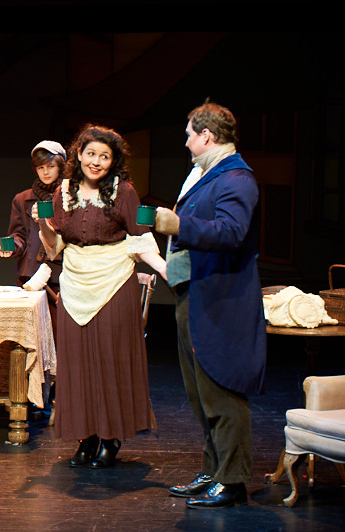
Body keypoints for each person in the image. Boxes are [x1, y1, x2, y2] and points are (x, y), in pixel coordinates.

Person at [155, 100, 265, 509]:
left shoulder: (236, 178)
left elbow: (232, 231)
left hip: (219, 298)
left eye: (189, 135)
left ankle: (232, 481)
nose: (185, 142)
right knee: (200, 393)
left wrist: (179, 225)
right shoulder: (207, 175)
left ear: (207, 135)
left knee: (221, 389)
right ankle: (214, 470)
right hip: (195, 292)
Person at [37, 125, 167, 468]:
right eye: (91, 153)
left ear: (114, 162)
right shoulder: (64, 192)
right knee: (77, 364)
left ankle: (111, 437)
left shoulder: (124, 192)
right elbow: (53, 247)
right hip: (75, 283)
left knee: (111, 360)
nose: (96, 162)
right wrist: (43, 225)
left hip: (113, 281)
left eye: (104, 157)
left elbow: (140, 238)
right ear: (78, 155)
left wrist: (167, 270)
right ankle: (86, 437)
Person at [0, 140, 66, 416]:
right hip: (30, 278)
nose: (45, 172)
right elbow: (20, 236)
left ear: (61, 166)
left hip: (60, 277)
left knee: (60, 341)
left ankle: (61, 398)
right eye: (40, 167)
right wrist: (11, 247)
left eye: (50, 166)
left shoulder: (69, 196)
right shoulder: (23, 199)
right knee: (30, 341)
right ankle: (31, 398)